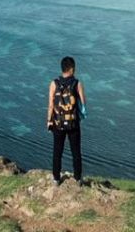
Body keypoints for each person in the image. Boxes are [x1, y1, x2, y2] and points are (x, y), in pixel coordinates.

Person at [46, 55, 87, 184]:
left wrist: (49, 121)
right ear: (71, 68)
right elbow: (83, 103)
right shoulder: (77, 83)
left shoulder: (53, 83)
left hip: (58, 123)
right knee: (76, 152)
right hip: (73, 123)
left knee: (57, 152)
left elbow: (51, 105)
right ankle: (78, 178)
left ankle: (56, 178)